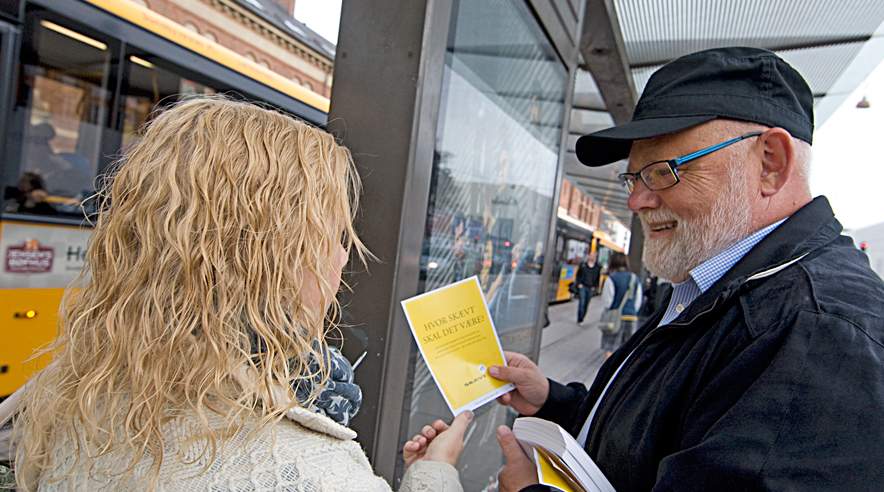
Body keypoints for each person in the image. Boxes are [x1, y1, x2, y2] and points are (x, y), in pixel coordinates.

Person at [10, 97, 471, 491]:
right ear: (270, 261)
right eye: (335, 235)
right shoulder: (307, 468)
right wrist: (434, 473)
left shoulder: (67, 396)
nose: (344, 256)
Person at [488, 47, 884, 491]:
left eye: (663, 171)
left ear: (771, 163)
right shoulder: (712, 282)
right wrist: (553, 401)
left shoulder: (820, 334)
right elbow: (657, 433)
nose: (637, 200)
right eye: (633, 178)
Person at [597, 252, 641, 358]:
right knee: (627, 349)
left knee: (610, 347)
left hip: (615, 319)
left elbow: (607, 302)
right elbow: (638, 301)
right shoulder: (634, 278)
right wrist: (631, 310)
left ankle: (609, 366)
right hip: (631, 318)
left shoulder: (612, 278)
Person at [574, 253, 601, 323]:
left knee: (586, 303)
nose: (592, 257)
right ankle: (579, 319)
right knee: (582, 302)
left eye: (594, 256)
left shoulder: (597, 267)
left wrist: (595, 287)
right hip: (582, 286)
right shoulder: (583, 265)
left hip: (591, 288)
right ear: (589, 257)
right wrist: (579, 284)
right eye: (591, 256)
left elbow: (598, 278)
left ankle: (582, 317)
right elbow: (578, 275)